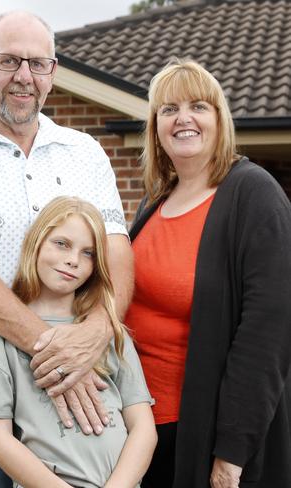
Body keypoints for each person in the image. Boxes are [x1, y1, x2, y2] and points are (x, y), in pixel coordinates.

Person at [0, 10, 134, 488]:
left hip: (81, 392)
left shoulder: (87, 153)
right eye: (8, 61)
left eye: (37, 63)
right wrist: (54, 355)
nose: (23, 77)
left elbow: (116, 257)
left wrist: (97, 330)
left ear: (53, 72)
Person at [124, 58, 291, 488]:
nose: (183, 118)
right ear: (156, 127)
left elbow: (266, 334)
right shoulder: (154, 202)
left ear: (219, 119)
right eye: (169, 108)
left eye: (198, 106)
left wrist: (232, 452)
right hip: (138, 428)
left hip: (202, 434)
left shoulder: (253, 195)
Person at [0, 196, 157, 488]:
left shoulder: (108, 334)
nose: (73, 259)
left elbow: (144, 428)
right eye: (62, 244)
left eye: (88, 253)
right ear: (36, 243)